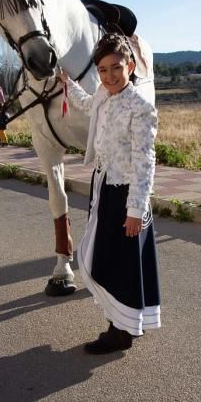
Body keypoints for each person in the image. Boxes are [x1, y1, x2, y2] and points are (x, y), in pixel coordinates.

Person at [59, 33, 161, 354]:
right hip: (103, 186)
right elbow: (89, 105)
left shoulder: (140, 107)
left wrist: (135, 211)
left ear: (130, 66)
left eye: (116, 67)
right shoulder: (103, 93)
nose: (110, 76)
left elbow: (145, 162)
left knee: (121, 264)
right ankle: (120, 325)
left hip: (126, 194)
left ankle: (121, 332)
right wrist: (68, 84)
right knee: (106, 257)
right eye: (103, 70)